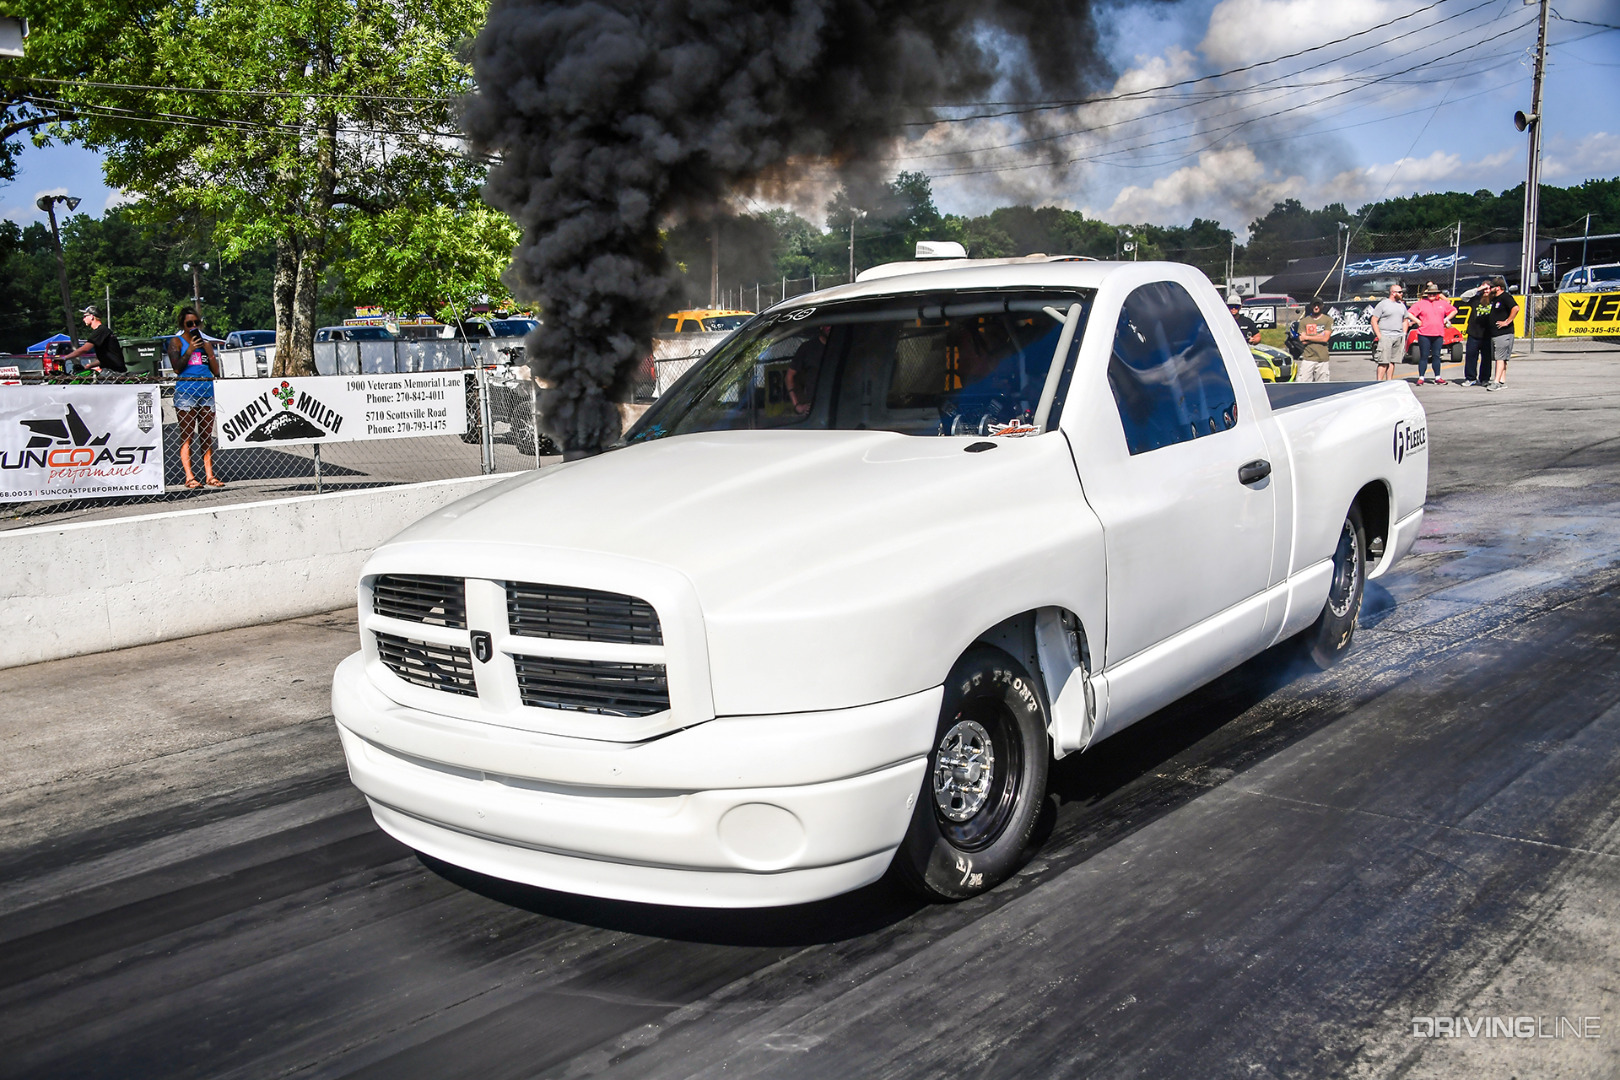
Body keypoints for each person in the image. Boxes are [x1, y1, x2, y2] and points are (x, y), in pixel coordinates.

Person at [167, 306, 224, 488]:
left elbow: (216, 371)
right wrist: (190, 349)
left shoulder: (206, 344)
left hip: (206, 391)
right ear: (182, 325)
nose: (193, 326)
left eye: (196, 323)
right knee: (187, 435)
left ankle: (210, 475)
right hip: (186, 392)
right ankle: (189, 476)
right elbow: (177, 368)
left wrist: (211, 354)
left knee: (206, 435)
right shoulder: (176, 342)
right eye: (189, 323)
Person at [1408, 282, 1455, 385]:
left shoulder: (1442, 303)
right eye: (1430, 294)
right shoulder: (1421, 303)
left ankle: (1438, 377)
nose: (1432, 296)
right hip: (1424, 334)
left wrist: (1446, 319)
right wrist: (1417, 321)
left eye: (1434, 294)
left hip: (1438, 334)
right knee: (1424, 356)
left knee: (1436, 355)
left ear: (1438, 294)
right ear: (1427, 294)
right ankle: (1421, 378)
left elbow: (1454, 311)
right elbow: (1409, 313)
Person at [58, 306, 126, 375]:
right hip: (112, 370)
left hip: (113, 372)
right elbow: (107, 358)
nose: (83, 319)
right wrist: (89, 365)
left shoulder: (100, 331)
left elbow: (84, 349)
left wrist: (65, 358)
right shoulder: (103, 331)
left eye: (85, 316)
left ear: (91, 316)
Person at [1369, 283, 1416, 382]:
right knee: (1383, 362)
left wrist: (1404, 334)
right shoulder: (1383, 304)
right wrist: (1379, 336)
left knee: (1392, 361)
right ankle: (1379, 382)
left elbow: (1405, 320)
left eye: (1401, 292)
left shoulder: (1401, 305)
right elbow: (1374, 320)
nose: (1402, 294)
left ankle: (1389, 381)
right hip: (1385, 336)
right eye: (1399, 292)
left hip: (1398, 336)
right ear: (1393, 293)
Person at [785, 324, 831, 415]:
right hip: (816, 409)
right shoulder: (807, 348)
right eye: (827, 325)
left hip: (841, 406)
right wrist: (797, 406)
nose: (829, 328)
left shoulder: (843, 346)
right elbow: (789, 377)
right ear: (821, 326)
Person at [1487, 276, 1519, 392]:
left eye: (1492, 287)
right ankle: (1502, 381)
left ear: (1499, 288)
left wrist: (1507, 321)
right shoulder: (1495, 298)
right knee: (1503, 358)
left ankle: (1495, 382)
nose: (1490, 289)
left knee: (1499, 358)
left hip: (1503, 333)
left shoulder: (1505, 297)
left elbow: (1516, 308)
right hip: (1496, 333)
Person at [1462, 281, 1495, 385]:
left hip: (1487, 334)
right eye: (1484, 289)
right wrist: (1478, 289)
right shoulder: (1475, 299)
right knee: (1471, 356)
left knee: (1486, 358)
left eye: (1488, 289)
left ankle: (1484, 379)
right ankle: (1470, 378)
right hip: (1473, 333)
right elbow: (1463, 297)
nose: (1486, 291)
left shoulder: (1494, 300)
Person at [1295, 298, 1333, 382]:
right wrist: (1319, 336)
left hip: (1322, 359)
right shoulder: (1304, 321)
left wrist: (1308, 337)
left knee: (1322, 386)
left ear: (1322, 306)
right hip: (1308, 358)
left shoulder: (1328, 320)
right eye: (1314, 305)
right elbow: (1302, 340)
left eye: (1318, 305)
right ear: (1311, 306)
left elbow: (1325, 338)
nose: (1316, 307)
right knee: (1303, 384)